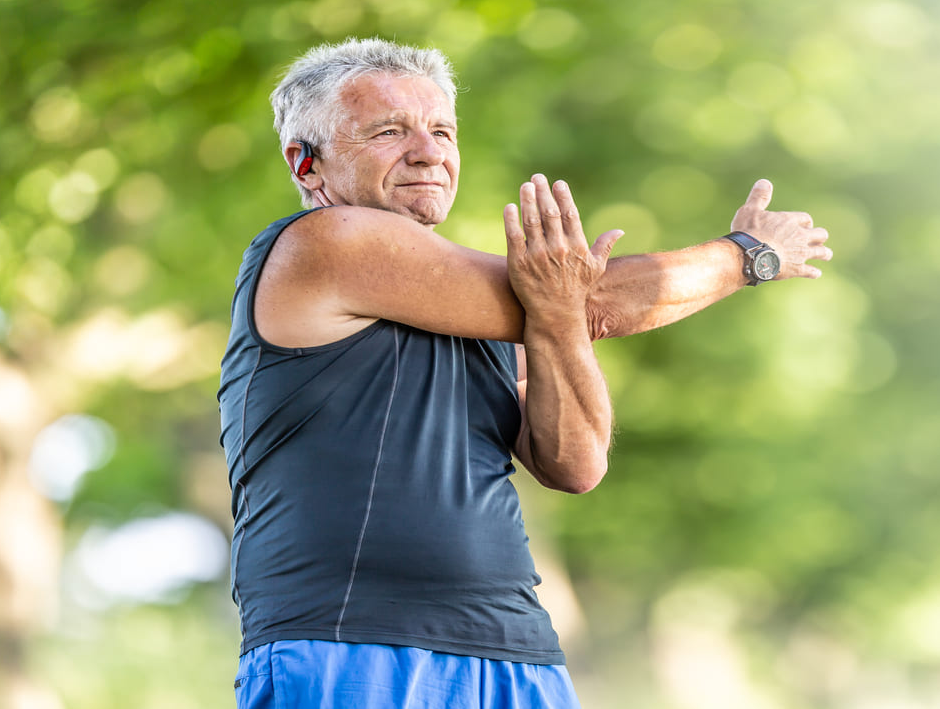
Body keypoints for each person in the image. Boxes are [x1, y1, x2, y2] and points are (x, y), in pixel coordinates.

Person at [217, 37, 832, 708]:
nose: (428, 151)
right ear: (307, 164)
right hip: (352, 648)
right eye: (389, 131)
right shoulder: (325, 242)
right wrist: (747, 254)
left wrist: (559, 316)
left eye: (442, 130)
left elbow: (576, 463)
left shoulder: (494, 306)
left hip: (515, 651)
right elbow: (595, 302)